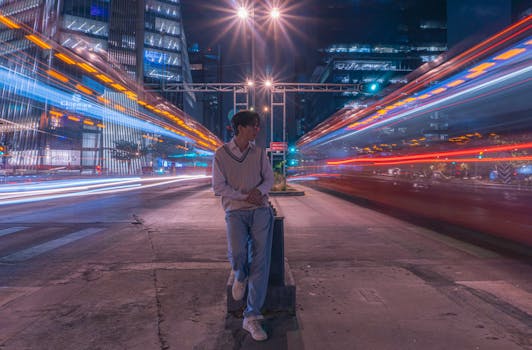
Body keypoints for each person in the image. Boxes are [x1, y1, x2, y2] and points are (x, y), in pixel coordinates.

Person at [212, 110, 274, 341]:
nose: (257, 130)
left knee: (261, 260)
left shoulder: (259, 153)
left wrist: (259, 191)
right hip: (235, 212)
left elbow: (269, 179)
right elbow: (218, 187)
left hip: (260, 211)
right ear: (240, 128)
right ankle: (239, 274)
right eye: (253, 126)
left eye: (257, 126)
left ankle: (252, 316)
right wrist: (242, 196)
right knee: (238, 254)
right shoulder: (221, 154)